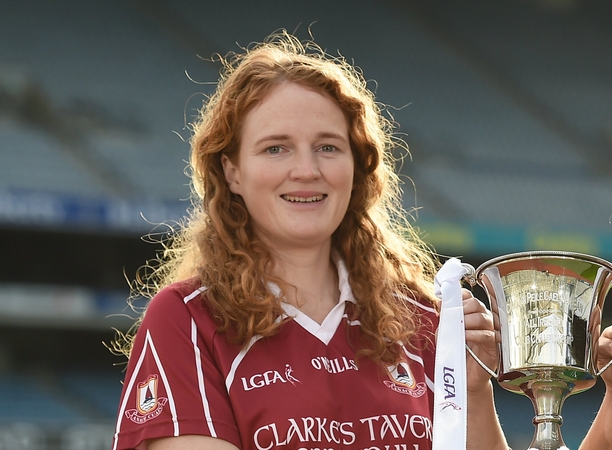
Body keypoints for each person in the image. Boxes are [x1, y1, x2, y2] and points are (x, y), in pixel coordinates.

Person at [110, 31, 612, 450]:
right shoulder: (187, 319)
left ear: (357, 167)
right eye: (275, 148)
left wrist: (474, 389)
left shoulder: (425, 321)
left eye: (328, 147)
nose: (306, 170)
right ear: (232, 171)